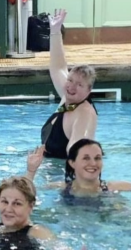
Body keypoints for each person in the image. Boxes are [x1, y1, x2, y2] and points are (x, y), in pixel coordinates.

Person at [41, 9, 98, 159]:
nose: (72, 87)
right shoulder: (68, 97)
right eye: (70, 80)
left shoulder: (84, 113)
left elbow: (80, 151)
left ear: (88, 91)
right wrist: (55, 31)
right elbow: (58, 67)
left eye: (79, 85)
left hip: (59, 177)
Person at [39, 138, 131, 196]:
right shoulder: (59, 187)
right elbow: (24, 194)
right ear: (72, 163)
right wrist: (31, 169)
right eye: (86, 158)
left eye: (97, 158)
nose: (93, 163)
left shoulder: (114, 187)